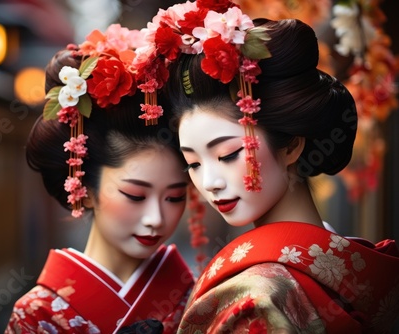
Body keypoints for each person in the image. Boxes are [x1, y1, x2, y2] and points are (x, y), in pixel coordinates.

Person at [133, 1, 399, 333]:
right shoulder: (364, 269)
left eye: (228, 154)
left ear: (291, 145)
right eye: (194, 163)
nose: (210, 182)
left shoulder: (258, 298)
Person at [5, 24, 194, 334]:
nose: (156, 219)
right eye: (135, 195)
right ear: (85, 187)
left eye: (174, 197)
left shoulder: (199, 299)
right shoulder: (38, 315)